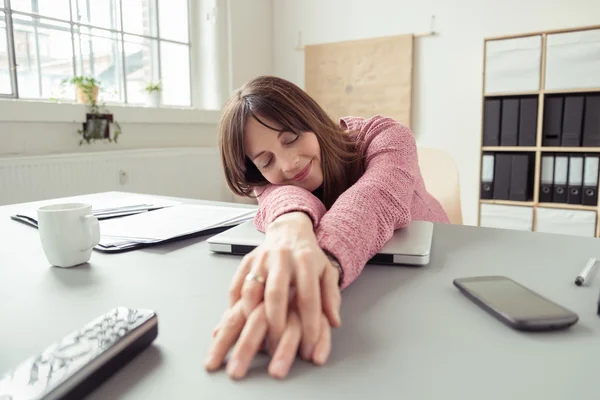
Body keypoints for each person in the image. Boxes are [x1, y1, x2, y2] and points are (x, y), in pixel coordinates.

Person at [205, 75, 450, 380]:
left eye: (291, 138)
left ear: (310, 117)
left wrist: (316, 273)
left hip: (434, 277)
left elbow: (374, 198)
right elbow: (279, 196)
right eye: (266, 160)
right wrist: (291, 227)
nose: (289, 164)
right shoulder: (269, 180)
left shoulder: (386, 136)